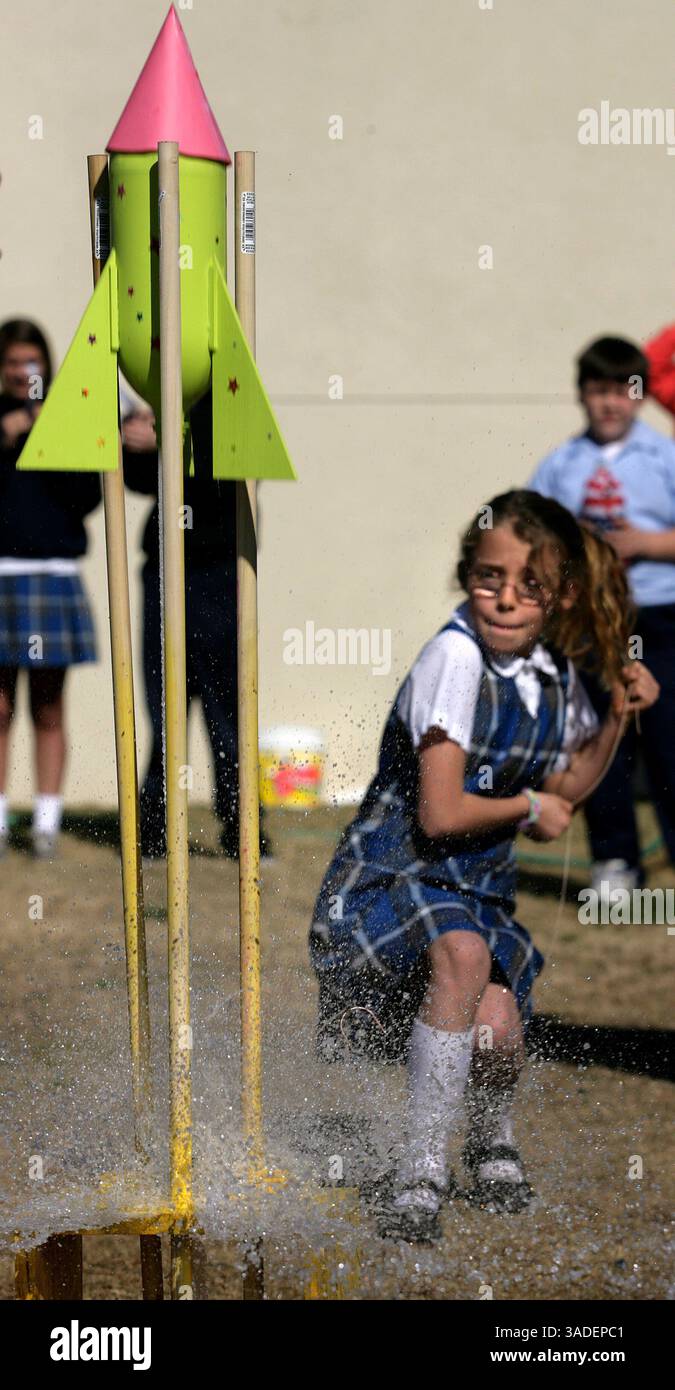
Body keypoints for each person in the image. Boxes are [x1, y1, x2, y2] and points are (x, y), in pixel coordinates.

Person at [309, 490, 658, 1242]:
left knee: (495, 1039)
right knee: (463, 954)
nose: (504, 599)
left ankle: (489, 1135)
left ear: (560, 594)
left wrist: (616, 722)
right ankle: (419, 1173)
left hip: (476, 890)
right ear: (465, 573)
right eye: (487, 577)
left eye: (529, 586)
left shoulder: (550, 674)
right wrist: (529, 807)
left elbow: (565, 788)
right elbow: (441, 813)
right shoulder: (455, 656)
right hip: (391, 879)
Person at [529, 336, 675, 897]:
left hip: (659, 615)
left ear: (639, 396)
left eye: (621, 391)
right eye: (598, 392)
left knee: (666, 737)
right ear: (582, 396)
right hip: (590, 622)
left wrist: (646, 544)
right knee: (602, 740)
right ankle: (615, 865)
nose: (609, 403)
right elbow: (535, 532)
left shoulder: (664, 457)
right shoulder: (560, 465)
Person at [123, 389, 270, 858]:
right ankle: (154, 826)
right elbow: (143, 482)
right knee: (163, 709)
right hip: (166, 570)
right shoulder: (162, 394)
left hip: (219, 570)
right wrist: (133, 442)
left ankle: (242, 826)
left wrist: (166, 440)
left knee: (226, 710)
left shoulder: (230, 397)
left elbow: (236, 472)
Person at [0, 319, 101, 857]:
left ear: (47, 365)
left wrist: (48, 437)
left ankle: (45, 823)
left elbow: (87, 497)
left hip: (54, 575)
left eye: (30, 361)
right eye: (13, 362)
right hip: (1, 574)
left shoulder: (69, 418)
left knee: (48, 706)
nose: (22, 372)